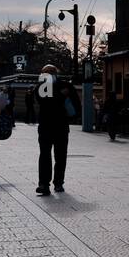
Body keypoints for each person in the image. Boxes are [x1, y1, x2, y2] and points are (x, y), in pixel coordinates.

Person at [36, 64, 77, 195]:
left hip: (50, 125)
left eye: (49, 72)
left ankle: (48, 183)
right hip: (58, 125)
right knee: (56, 155)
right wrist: (61, 95)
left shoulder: (47, 86)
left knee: (49, 155)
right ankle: (52, 183)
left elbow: (75, 104)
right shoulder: (53, 86)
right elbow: (46, 102)